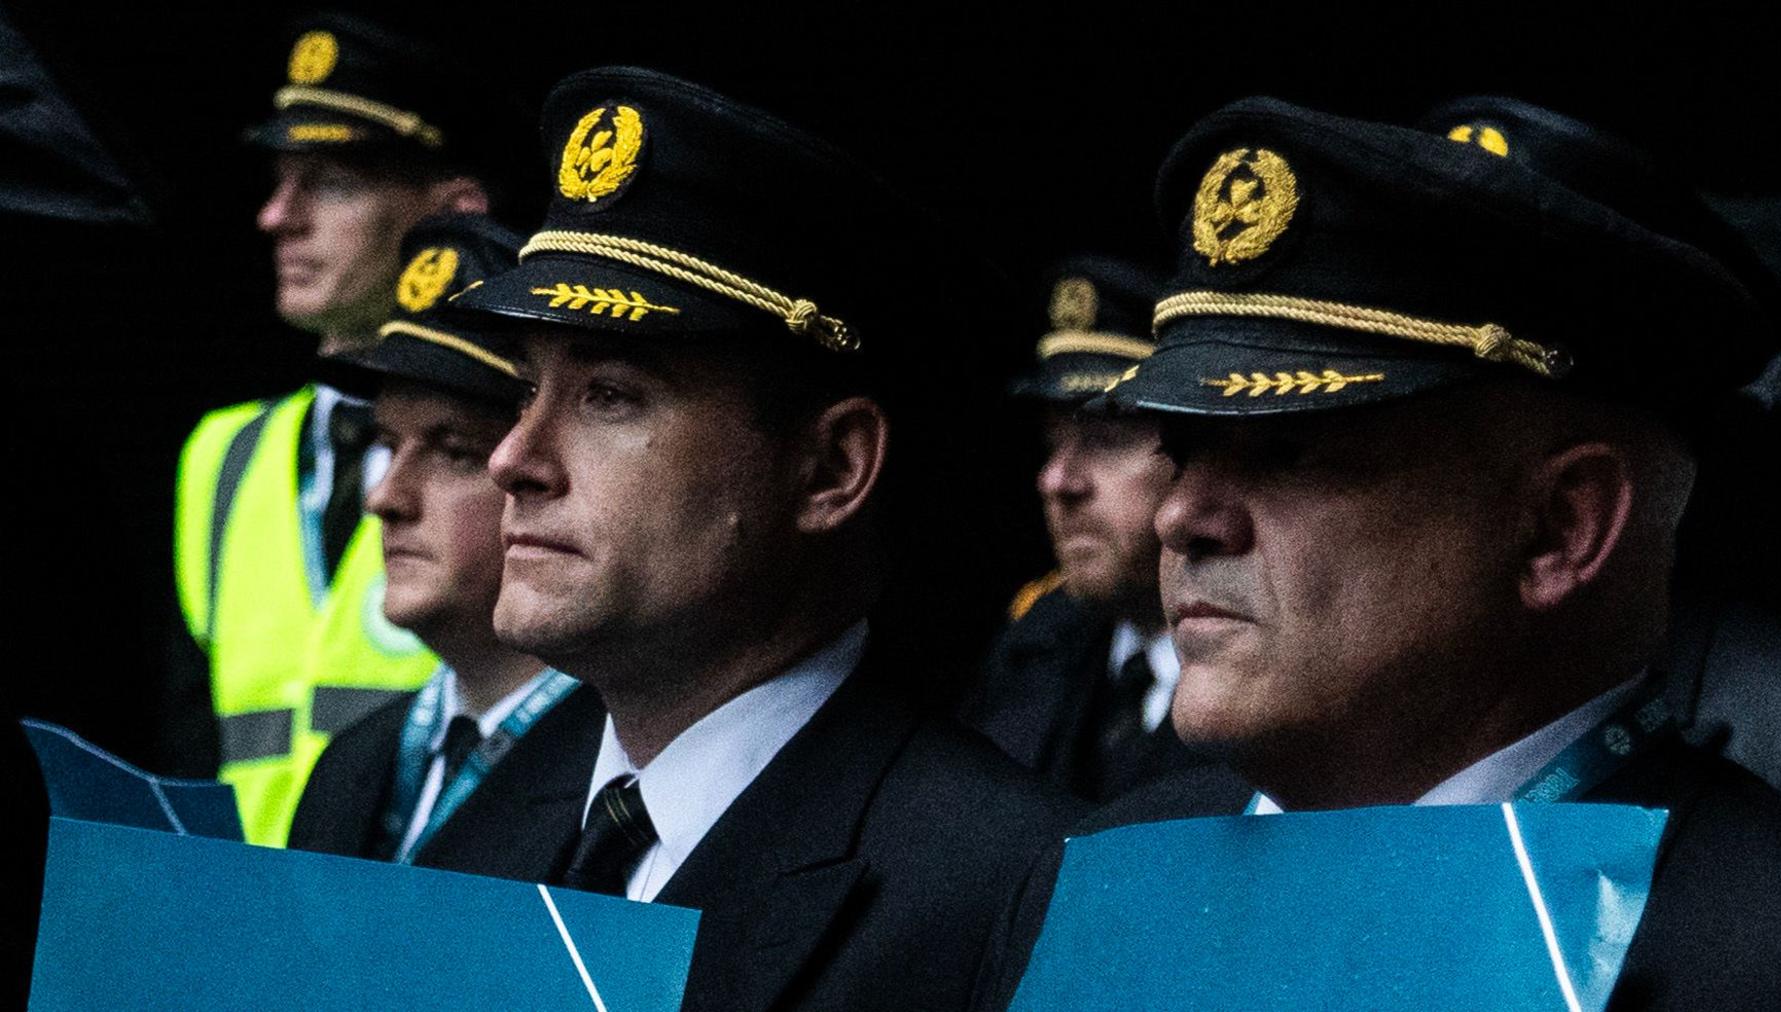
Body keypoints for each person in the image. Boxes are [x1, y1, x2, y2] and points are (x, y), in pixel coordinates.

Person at [980, 97, 1781, 1008]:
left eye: (1289, 448)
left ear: (1559, 529)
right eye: (1182, 451)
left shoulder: (1765, 948)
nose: (1183, 519)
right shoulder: (1091, 875)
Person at [453, 66, 1086, 1011]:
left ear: (830, 469)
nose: (513, 458)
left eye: (612, 396)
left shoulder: (1021, 897)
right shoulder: (482, 829)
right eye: (523, 391)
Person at [164, 14, 506, 846]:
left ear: (455, 211)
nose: (279, 216)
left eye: (333, 183)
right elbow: (189, 746)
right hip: (246, 933)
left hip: (420, 925)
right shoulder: (222, 454)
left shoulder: (522, 439)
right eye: (281, 180)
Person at [287, 214, 606, 879]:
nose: (385, 497)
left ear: (534, 468)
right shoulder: (353, 761)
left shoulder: (624, 774)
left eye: (453, 452)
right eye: (385, 445)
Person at [962, 256, 1244, 804]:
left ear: (1199, 451)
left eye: (1105, 439)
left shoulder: (1272, 676)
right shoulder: (1035, 642)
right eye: (1052, 444)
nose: (1056, 480)